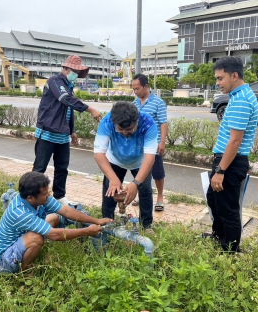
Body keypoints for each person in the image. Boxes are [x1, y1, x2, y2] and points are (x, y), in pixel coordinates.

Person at [0, 171, 112, 274]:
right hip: (2, 262)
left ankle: (30, 255)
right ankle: (25, 273)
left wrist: (96, 221)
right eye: (44, 194)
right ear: (30, 197)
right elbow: (54, 234)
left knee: (53, 218)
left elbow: (66, 211)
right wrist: (86, 231)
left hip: (16, 242)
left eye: (48, 192)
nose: (48, 195)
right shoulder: (20, 212)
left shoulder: (38, 198)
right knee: (36, 238)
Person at [204, 56, 258, 253]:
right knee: (215, 200)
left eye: (220, 78)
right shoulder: (239, 96)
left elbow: (235, 141)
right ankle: (219, 236)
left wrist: (220, 170)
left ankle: (230, 250)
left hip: (231, 163)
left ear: (234, 75)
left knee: (228, 209)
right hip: (227, 161)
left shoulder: (242, 100)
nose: (217, 83)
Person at [33, 55, 102, 205]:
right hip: (47, 133)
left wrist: (72, 131)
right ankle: (31, 197)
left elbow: (68, 110)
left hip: (62, 135)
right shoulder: (55, 81)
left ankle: (59, 196)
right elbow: (66, 100)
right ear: (65, 69)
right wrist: (90, 109)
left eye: (77, 72)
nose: (75, 75)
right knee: (39, 169)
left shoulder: (69, 87)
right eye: (73, 71)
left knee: (62, 168)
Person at [94, 101, 158, 232]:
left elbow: (150, 157)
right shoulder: (107, 121)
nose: (124, 133)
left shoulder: (148, 122)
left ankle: (146, 225)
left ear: (137, 120)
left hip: (140, 162)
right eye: (120, 129)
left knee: (145, 190)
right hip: (115, 159)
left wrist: (136, 183)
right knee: (110, 190)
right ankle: (108, 221)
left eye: (129, 129)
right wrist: (112, 178)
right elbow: (99, 154)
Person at [132, 74, 167, 211]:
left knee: (157, 172)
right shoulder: (135, 103)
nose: (136, 92)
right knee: (141, 172)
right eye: (134, 89)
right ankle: (143, 196)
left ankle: (160, 197)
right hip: (139, 145)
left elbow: (163, 123)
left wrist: (162, 142)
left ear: (146, 86)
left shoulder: (158, 102)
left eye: (138, 88)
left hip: (154, 144)